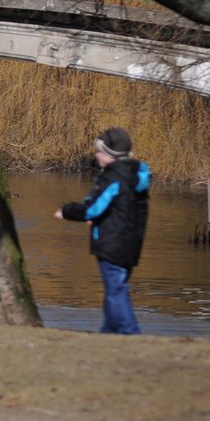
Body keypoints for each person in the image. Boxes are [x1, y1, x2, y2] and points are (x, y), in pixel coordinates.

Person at [54, 127, 151, 335]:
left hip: (112, 242)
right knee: (115, 287)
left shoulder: (115, 178)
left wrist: (67, 211)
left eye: (98, 150)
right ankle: (108, 332)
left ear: (109, 154)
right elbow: (114, 206)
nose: (94, 154)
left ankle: (129, 332)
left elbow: (94, 209)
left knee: (115, 290)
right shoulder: (134, 176)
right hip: (131, 242)